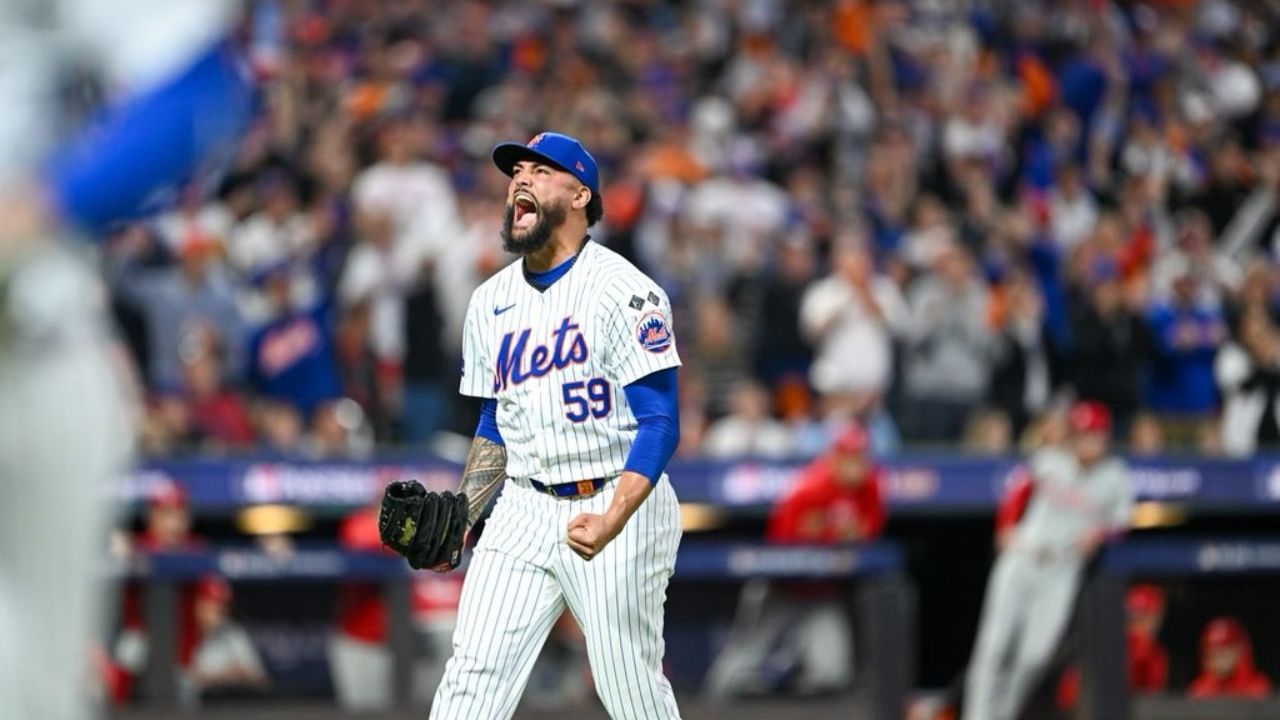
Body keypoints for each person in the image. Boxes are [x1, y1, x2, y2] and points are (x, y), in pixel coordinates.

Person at [422, 131, 683, 719]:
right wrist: (464, 516)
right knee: (471, 679)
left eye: (539, 171)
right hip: (522, 506)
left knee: (628, 688)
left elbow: (661, 422)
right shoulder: (488, 301)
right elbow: (496, 420)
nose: (519, 179)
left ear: (580, 194)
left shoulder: (626, 292)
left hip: (616, 496)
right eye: (515, 171)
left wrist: (614, 518)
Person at [963, 401, 1133, 720]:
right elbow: (1016, 493)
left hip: (1063, 569)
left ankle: (1001, 715)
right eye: (1081, 434)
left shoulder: (1116, 476)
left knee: (1035, 657)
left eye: (1093, 434)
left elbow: (1122, 523)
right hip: (1024, 558)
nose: (1086, 441)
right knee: (993, 648)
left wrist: (1100, 533)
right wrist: (1006, 528)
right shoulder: (1049, 461)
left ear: (1105, 437)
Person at [702, 423, 885, 700]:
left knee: (832, 673)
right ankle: (707, 708)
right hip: (781, 589)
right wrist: (835, 536)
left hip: (822, 592)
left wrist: (828, 535)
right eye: (849, 457)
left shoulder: (869, 485)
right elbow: (783, 540)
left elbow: (871, 529)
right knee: (737, 667)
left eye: (860, 457)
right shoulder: (810, 486)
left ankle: (794, 693)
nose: (856, 465)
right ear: (834, 458)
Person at [180, 574, 269, 708]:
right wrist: (226, 675)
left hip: (231, 708)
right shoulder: (180, 633)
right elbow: (177, 683)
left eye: (223, 605)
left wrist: (215, 678)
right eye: (213, 604)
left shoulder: (233, 633)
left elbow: (261, 680)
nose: (220, 611)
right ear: (197, 604)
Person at [1187, 617, 1273, 699]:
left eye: (1223, 654)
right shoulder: (1200, 689)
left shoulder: (1257, 687)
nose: (1218, 661)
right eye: (1212, 655)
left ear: (1239, 652)